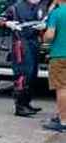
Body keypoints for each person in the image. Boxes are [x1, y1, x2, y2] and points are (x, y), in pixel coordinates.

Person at [0, 0, 47, 117]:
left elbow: (46, 21)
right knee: (23, 74)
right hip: (21, 44)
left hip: (34, 43)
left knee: (32, 74)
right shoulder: (16, 7)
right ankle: (20, 106)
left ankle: (26, 103)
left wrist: (44, 26)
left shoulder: (40, 7)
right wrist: (8, 24)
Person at [42, 0, 66, 131]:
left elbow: (50, 36)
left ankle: (63, 121)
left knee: (62, 88)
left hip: (60, 55)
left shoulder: (56, 13)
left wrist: (44, 37)